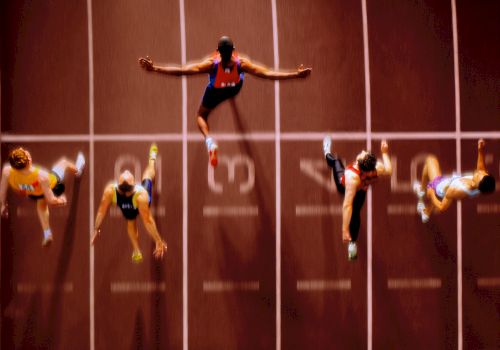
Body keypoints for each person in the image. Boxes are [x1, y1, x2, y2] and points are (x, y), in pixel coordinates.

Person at [139, 36, 312, 167]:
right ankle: (230, 100)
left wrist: (154, 68)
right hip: (233, 88)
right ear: (234, 49)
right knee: (233, 92)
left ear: (218, 51)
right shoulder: (241, 64)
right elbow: (268, 74)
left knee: (201, 115)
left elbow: (182, 71)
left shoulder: (211, 64)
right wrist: (296, 75)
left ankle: (209, 141)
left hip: (215, 92)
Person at [91, 144, 167, 263]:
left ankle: (152, 159)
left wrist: (96, 228)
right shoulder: (139, 194)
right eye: (127, 174)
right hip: (134, 203)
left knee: (131, 222)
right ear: (133, 185)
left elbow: (102, 211)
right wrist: (158, 240)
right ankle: (136, 250)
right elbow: (148, 221)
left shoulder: (111, 191)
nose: (126, 170)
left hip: (132, 204)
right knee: (146, 175)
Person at [323, 137, 392, 260]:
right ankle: (327, 152)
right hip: (353, 189)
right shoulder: (374, 169)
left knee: (355, 214)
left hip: (353, 189)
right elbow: (389, 169)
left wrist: (345, 230)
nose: (362, 151)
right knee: (336, 162)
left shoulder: (353, 176)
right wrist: (385, 153)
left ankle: (352, 243)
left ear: (365, 169)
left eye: (362, 154)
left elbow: (347, 206)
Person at [0, 147, 85, 246]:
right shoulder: (42, 176)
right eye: (24, 152)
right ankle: (78, 171)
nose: (22, 149)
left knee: (41, 206)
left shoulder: (7, 171)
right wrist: (60, 200)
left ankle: (47, 234)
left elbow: (2, 191)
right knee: (64, 162)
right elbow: (51, 200)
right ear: (29, 160)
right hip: (52, 186)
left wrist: (2, 205)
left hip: (32, 193)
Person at [413, 139, 495, 223]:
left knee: (430, 160)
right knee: (427, 169)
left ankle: (422, 193)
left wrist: (431, 194)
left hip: (438, 186)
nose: (480, 172)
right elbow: (481, 169)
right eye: (485, 173)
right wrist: (480, 150)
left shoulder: (457, 189)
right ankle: (426, 212)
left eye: (479, 175)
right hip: (449, 182)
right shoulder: (481, 181)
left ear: (478, 184)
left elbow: (442, 207)